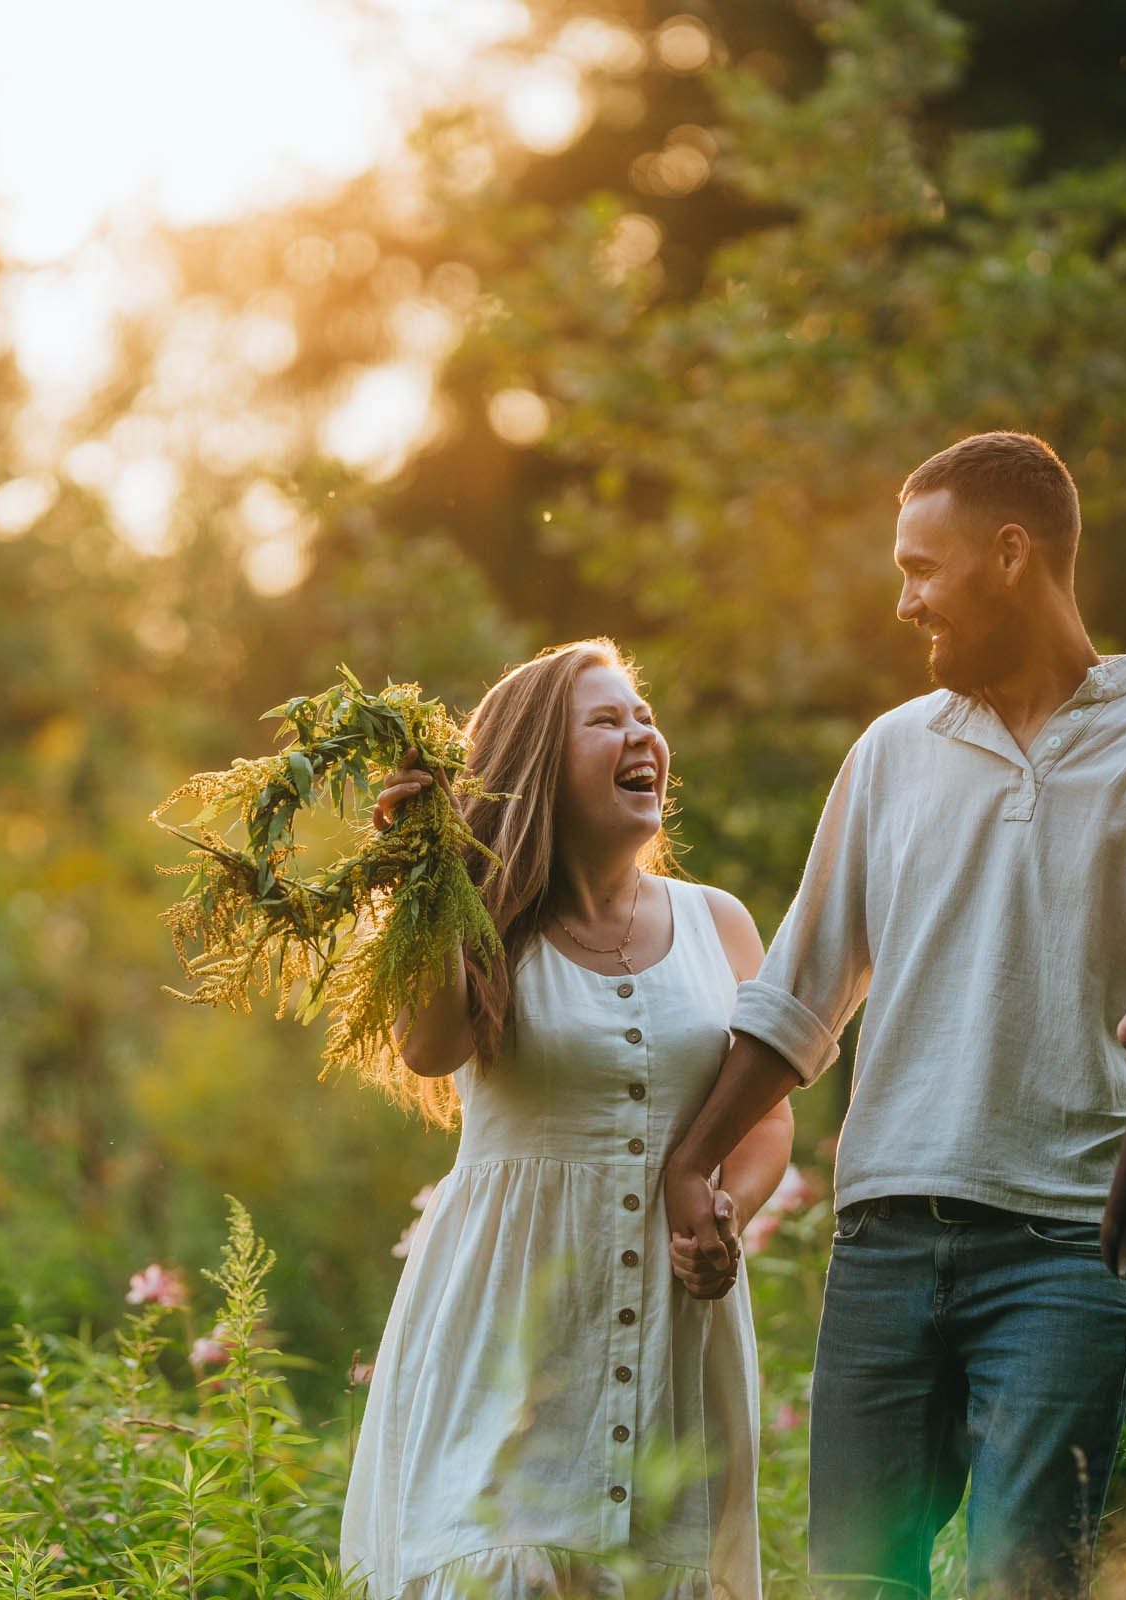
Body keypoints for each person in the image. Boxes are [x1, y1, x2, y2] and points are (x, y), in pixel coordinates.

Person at [661, 432, 1126, 1597]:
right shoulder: (891, 754)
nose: (904, 600)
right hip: (883, 1243)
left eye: (923, 569)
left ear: (1011, 554)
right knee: (857, 1583)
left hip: (1066, 1251)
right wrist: (696, 1159)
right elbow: (798, 992)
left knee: (1024, 1580)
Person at [342, 638, 793, 1600]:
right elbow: (427, 1048)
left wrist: (727, 1214)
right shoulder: (488, 918)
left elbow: (762, 1117)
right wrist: (424, 873)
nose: (642, 735)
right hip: (510, 1328)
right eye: (606, 719)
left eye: (644, 717)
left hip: (677, 1337)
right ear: (538, 764)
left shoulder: (720, 923)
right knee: (502, 1569)